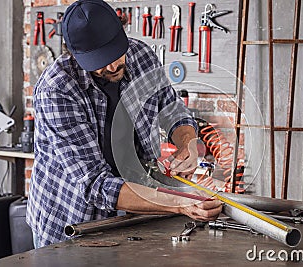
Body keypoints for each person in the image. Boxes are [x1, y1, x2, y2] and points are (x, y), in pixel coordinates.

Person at [27, 0, 222, 248]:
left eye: (115, 52)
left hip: (134, 214)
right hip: (70, 221)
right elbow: (95, 184)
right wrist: (179, 202)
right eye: (100, 60)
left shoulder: (141, 57)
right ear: (76, 56)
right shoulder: (57, 89)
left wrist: (188, 143)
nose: (112, 65)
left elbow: (171, 109)